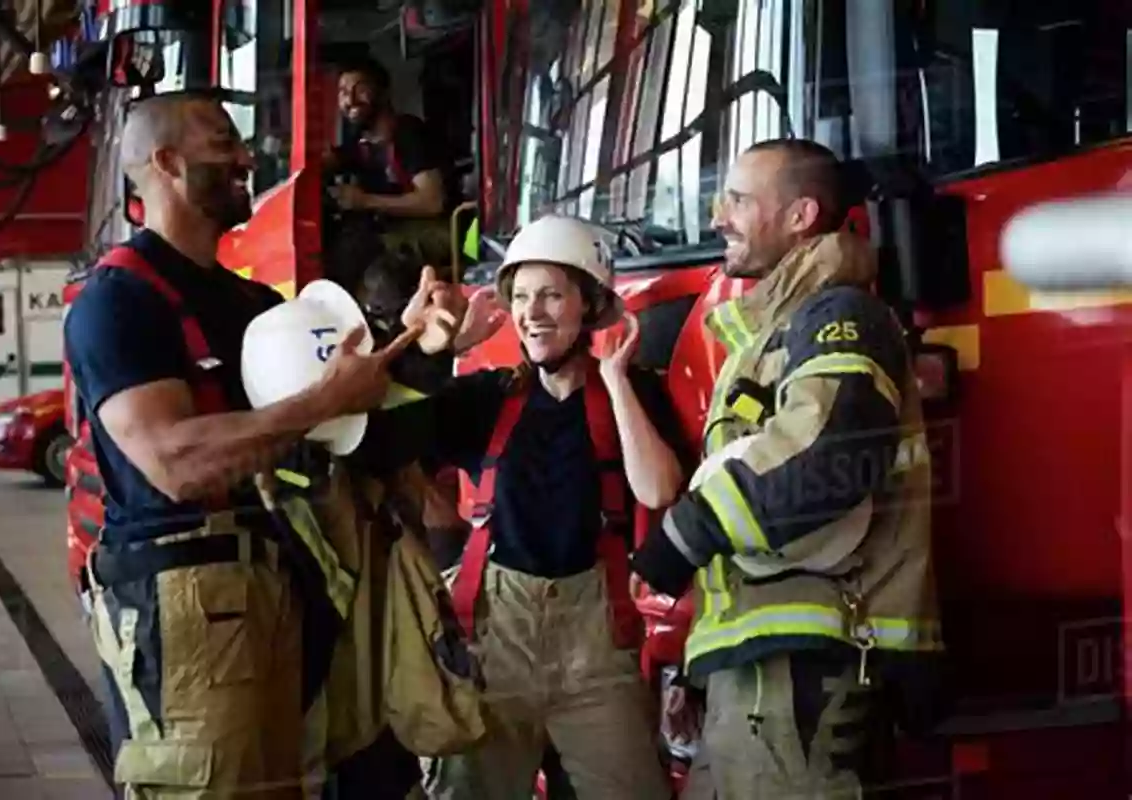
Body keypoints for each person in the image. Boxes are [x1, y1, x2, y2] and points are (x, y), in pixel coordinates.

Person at [64, 92, 420, 798]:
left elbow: (345, 422)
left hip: (276, 585)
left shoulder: (254, 305)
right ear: (166, 163)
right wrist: (323, 400)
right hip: (184, 604)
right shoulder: (118, 300)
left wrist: (419, 346)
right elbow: (175, 461)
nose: (245, 158)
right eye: (223, 142)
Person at [627, 139, 946, 798]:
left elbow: (823, 457)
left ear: (801, 215)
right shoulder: (772, 331)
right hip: (756, 671)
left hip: (805, 668)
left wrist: (682, 536)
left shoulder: (839, 316)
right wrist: (701, 663)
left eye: (740, 199)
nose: (719, 216)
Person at [354, 214, 687, 800]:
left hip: (596, 648)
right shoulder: (488, 399)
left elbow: (658, 491)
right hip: (493, 640)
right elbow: (382, 443)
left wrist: (614, 379)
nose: (533, 313)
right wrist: (428, 353)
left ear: (590, 305)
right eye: (523, 297)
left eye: (553, 296)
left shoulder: (633, 393)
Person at [324, 55, 454, 270]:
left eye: (360, 89)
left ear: (383, 93)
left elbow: (433, 202)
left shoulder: (408, 134)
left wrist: (364, 201)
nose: (350, 100)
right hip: (397, 229)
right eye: (343, 93)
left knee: (364, 257)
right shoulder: (361, 144)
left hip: (441, 229)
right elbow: (328, 161)